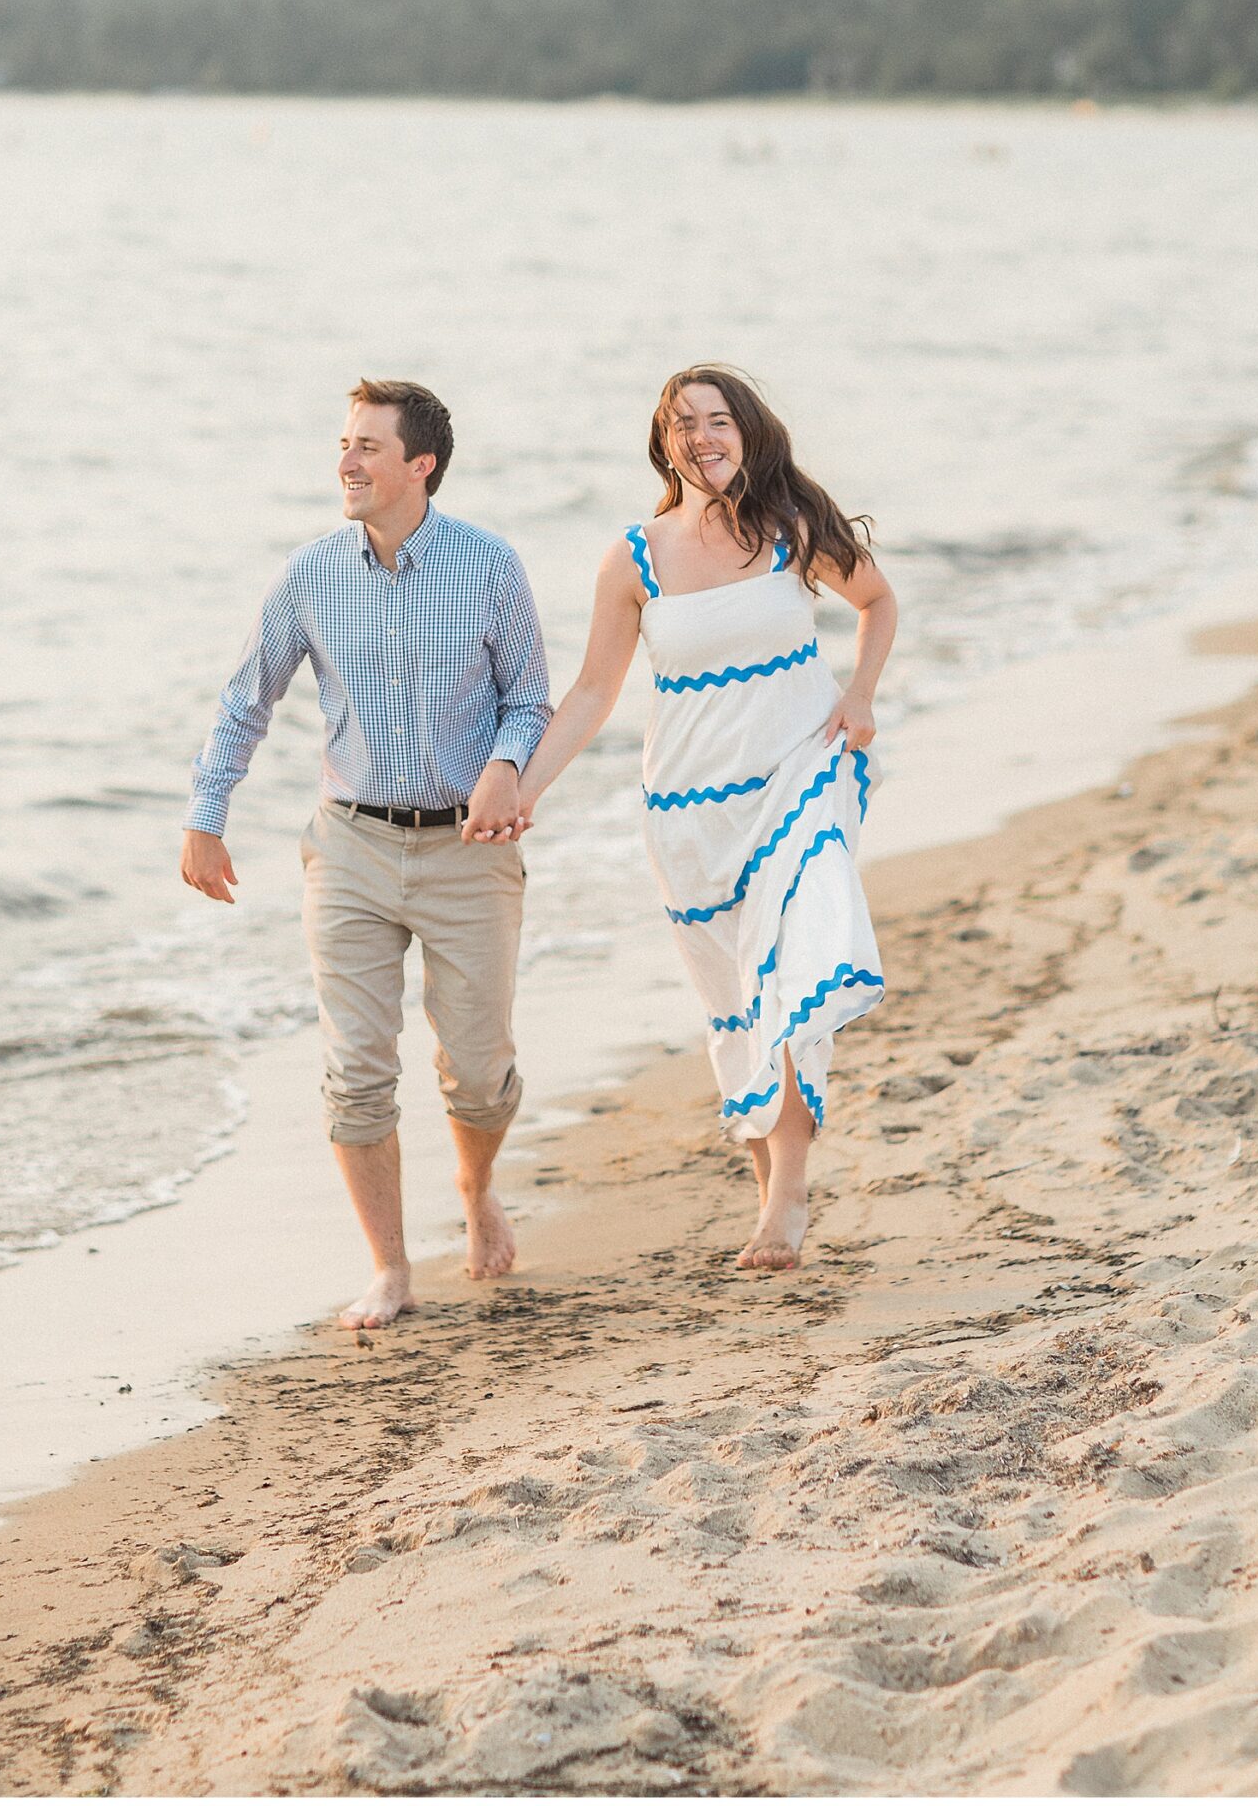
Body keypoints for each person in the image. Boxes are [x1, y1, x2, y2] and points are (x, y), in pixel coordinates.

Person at [496, 365, 895, 1273]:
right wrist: (525, 788)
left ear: (748, 432)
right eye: (685, 426)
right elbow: (594, 692)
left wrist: (861, 695)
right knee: (736, 1003)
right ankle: (768, 1187)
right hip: (688, 808)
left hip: (799, 778)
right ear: (663, 442)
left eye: (719, 421)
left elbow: (877, 602)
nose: (704, 437)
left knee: (796, 970)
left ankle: (787, 1196)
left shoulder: (792, 528)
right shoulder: (632, 559)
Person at [181, 379, 550, 1330]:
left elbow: (529, 699)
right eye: (343, 445)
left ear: (419, 464)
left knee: (477, 1067)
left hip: (469, 850)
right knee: (356, 1068)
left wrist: (507, 768)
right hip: (347, 844)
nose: (346, 462)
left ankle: (474, 1190)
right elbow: (246, 698)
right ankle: (389, 1267)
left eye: (367, 448)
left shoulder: (490, 567)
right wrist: (205, 815)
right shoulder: (309, 575)